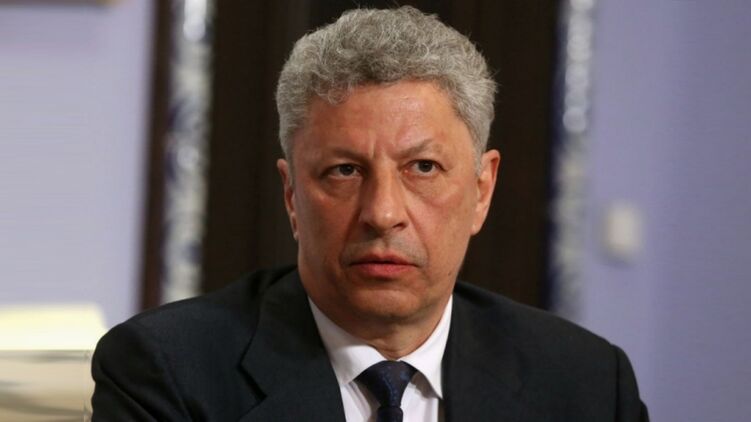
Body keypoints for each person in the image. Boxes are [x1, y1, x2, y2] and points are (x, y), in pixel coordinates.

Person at [91, 6, 648, 421]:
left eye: (423, 167)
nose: (382, 214)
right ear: (291, 195)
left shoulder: (588, 384)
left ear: (482, 190)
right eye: (344, 171)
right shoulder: (168, 371)